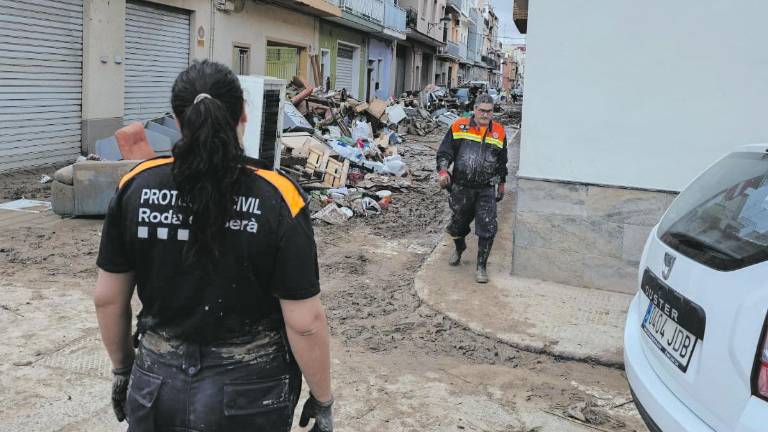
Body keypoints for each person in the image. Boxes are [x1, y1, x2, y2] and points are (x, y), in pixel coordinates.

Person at [94, 60, 333, 431]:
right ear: (243, 114)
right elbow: (304, 323)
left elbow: (108, 298)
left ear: (177, 120)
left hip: (156, 386)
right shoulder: (279, 197)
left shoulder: (136, 186)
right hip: (251, 393)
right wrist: (322, 399)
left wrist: (124, 370)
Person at [436, 94, 508, 283]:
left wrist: (501, 183)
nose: (485, 114)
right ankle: (459, 248)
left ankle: (481, 266)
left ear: (493, 112)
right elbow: (445, 152)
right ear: (475, 109)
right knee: (456, 227)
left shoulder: (499, 132)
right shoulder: (459, 126)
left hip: (486, 190)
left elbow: (502, 161)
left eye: (489, 111)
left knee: (488, 227)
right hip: (461, 188)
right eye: (482, 110)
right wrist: (443, 171)